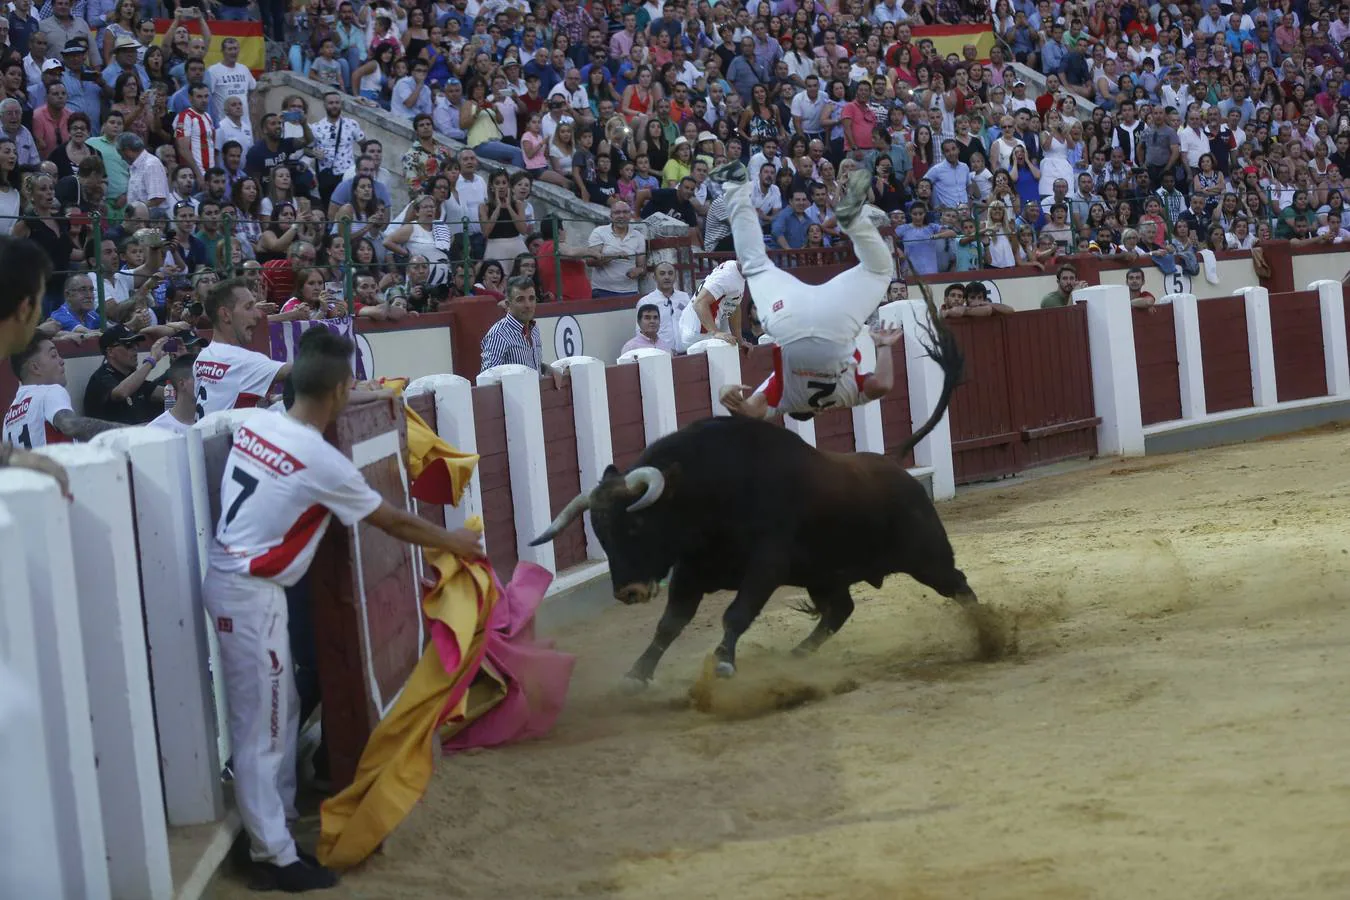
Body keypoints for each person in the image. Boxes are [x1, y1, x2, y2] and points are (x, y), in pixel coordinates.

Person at [203, 328, 482, 892]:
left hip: (242, 583)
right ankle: (270, 856)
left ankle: (275, 832)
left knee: (276, 717)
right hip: (250, 592)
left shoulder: (256, 422)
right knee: (262, 728)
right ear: (339, 391)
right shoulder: (318, 459)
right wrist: (457, 544)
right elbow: (393, 522)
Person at [712, 161, 901, 419]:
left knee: (880, 270)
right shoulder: (784, 398)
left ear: (816, 413)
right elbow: (748, 413)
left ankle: (854, 221)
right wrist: (728, 398)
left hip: (837, 322)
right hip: (788, 322)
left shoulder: (846, 395)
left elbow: (882, 385)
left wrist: (884, 346)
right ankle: (735, 186)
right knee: (754, 264)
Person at [193, 278, 292, 417]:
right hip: (227, 438)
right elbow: (301, 372)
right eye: (248, 307)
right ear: (226, 315)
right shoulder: (242, 361)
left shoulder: (202, 358)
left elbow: (227, 397)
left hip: (204, 437)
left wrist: (274, 400)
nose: (258, 315)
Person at [5, 334, 122, 447]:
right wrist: (128, 431)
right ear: (35, 367)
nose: (62, 361)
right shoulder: (50, 391)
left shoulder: (8, 417)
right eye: (54, 355)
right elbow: (70, 425)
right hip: (57, 466)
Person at [82, 324, 170, 424]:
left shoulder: (130, 376)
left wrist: (180, 363)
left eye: (136, 344)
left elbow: (162, 393)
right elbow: (121, 393)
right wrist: (151, 360)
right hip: (109, 437)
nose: (135, 349)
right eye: (128, 345)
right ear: (110, 351)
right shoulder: (101, 377)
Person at [675, 258, 746, 351]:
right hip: (698, 334)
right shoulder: (726, 277)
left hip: (701, 330)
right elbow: (699, 303)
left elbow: (734, 304)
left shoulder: (735, 270)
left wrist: (739, 340)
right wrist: (715, 332)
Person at [480, 275, 544, 372]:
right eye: (520, 299)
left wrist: (547, 369)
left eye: (531, 298)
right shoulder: (498, 334)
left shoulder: (534, 329)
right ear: (508, 304)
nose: (528, 305)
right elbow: (488, 376)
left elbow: (532, 366)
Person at [150, 352, 197, 434]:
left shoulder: (214, 422)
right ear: (182, 383)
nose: (205, 383)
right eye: (199, 378)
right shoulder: (156, 430)